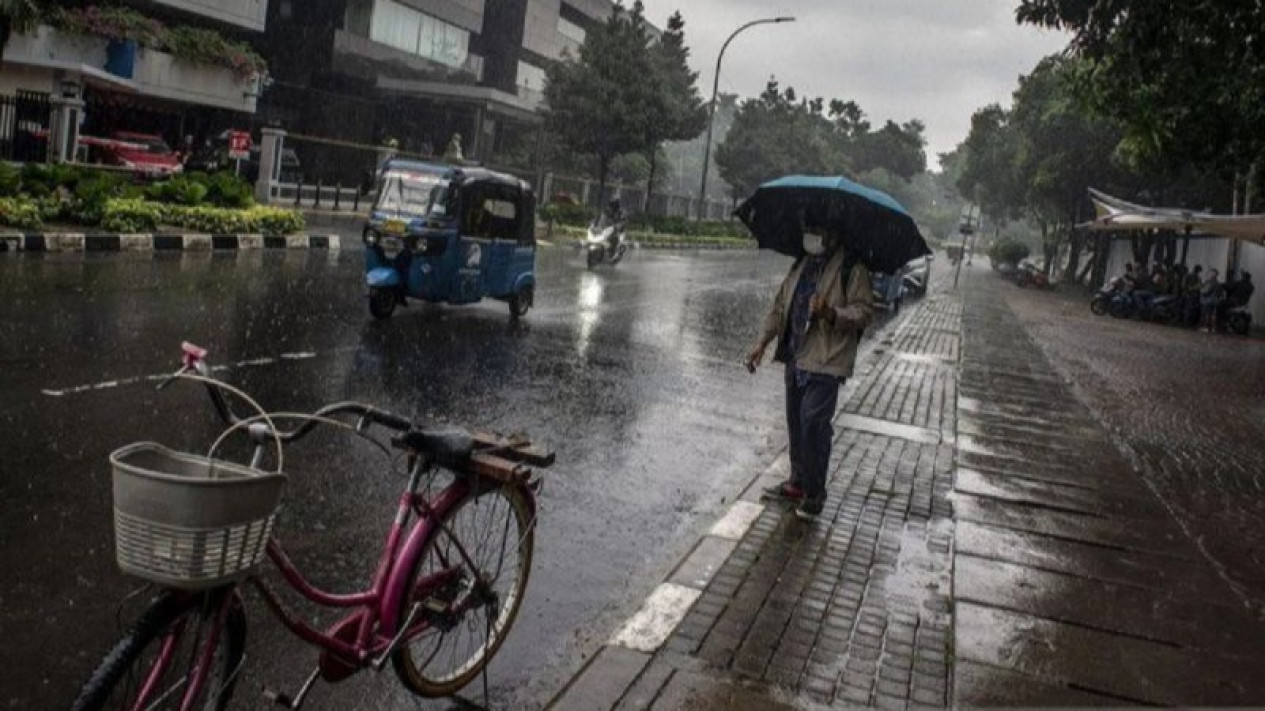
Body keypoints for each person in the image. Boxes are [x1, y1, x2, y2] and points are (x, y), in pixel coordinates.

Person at [745, 227, 875, 519]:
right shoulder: (801, 263)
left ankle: (815, 494)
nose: (812, 235)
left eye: (818, 229)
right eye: (809, 228)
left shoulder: (852, 268)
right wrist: (761, 343)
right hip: (795, 355)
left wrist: (831, 313)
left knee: (814, 422)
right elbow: (780, 307)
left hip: (827, 359)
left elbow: (865, 311)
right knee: (796, 423)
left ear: (833, 233)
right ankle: (798, 482)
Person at [1200, 267, 1221, 332]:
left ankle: (1207, 327)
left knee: (1207, 313)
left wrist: (1201, 290)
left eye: (1211, 273)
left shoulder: (1211, 282)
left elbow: (1206, 291)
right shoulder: (1217, 282)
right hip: (1213, 300)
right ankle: (1210, 327)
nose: (1209, 274)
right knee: (1211, 314)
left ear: (1213, 275)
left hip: (1208, 300)